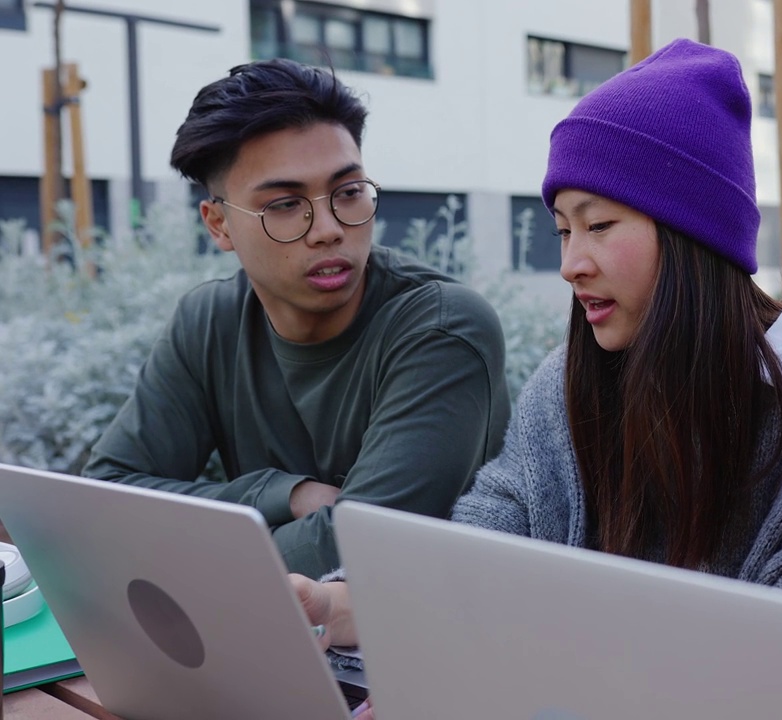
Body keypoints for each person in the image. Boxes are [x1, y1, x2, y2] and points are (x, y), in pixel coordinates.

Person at [292, 38, 782, 662]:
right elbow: (484, 541)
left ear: (695, 234)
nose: (570, 265)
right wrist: (345, 606)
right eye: (562, 230)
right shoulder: (567, 385)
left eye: (599, 226)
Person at [83, 59, 511, 579]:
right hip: (267, 639)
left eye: (349, 193)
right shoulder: (211, 320)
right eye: (285, 204)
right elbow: (107, 498)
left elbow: (360, 550)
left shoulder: (440, 328)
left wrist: (172, 548)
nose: (329, 229)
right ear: (219, 224)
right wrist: (283, 494)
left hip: (424, 641)